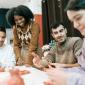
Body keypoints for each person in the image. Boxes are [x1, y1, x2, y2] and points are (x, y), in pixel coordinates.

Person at [45, 0, 85, 85]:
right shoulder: (54, 46)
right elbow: (82, 68)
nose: (75, 25)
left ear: (65, 30)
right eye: (72, 21)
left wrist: (68, 79)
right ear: (52, 35)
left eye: (78, 18)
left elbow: (79, 65)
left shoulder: (76, 41)